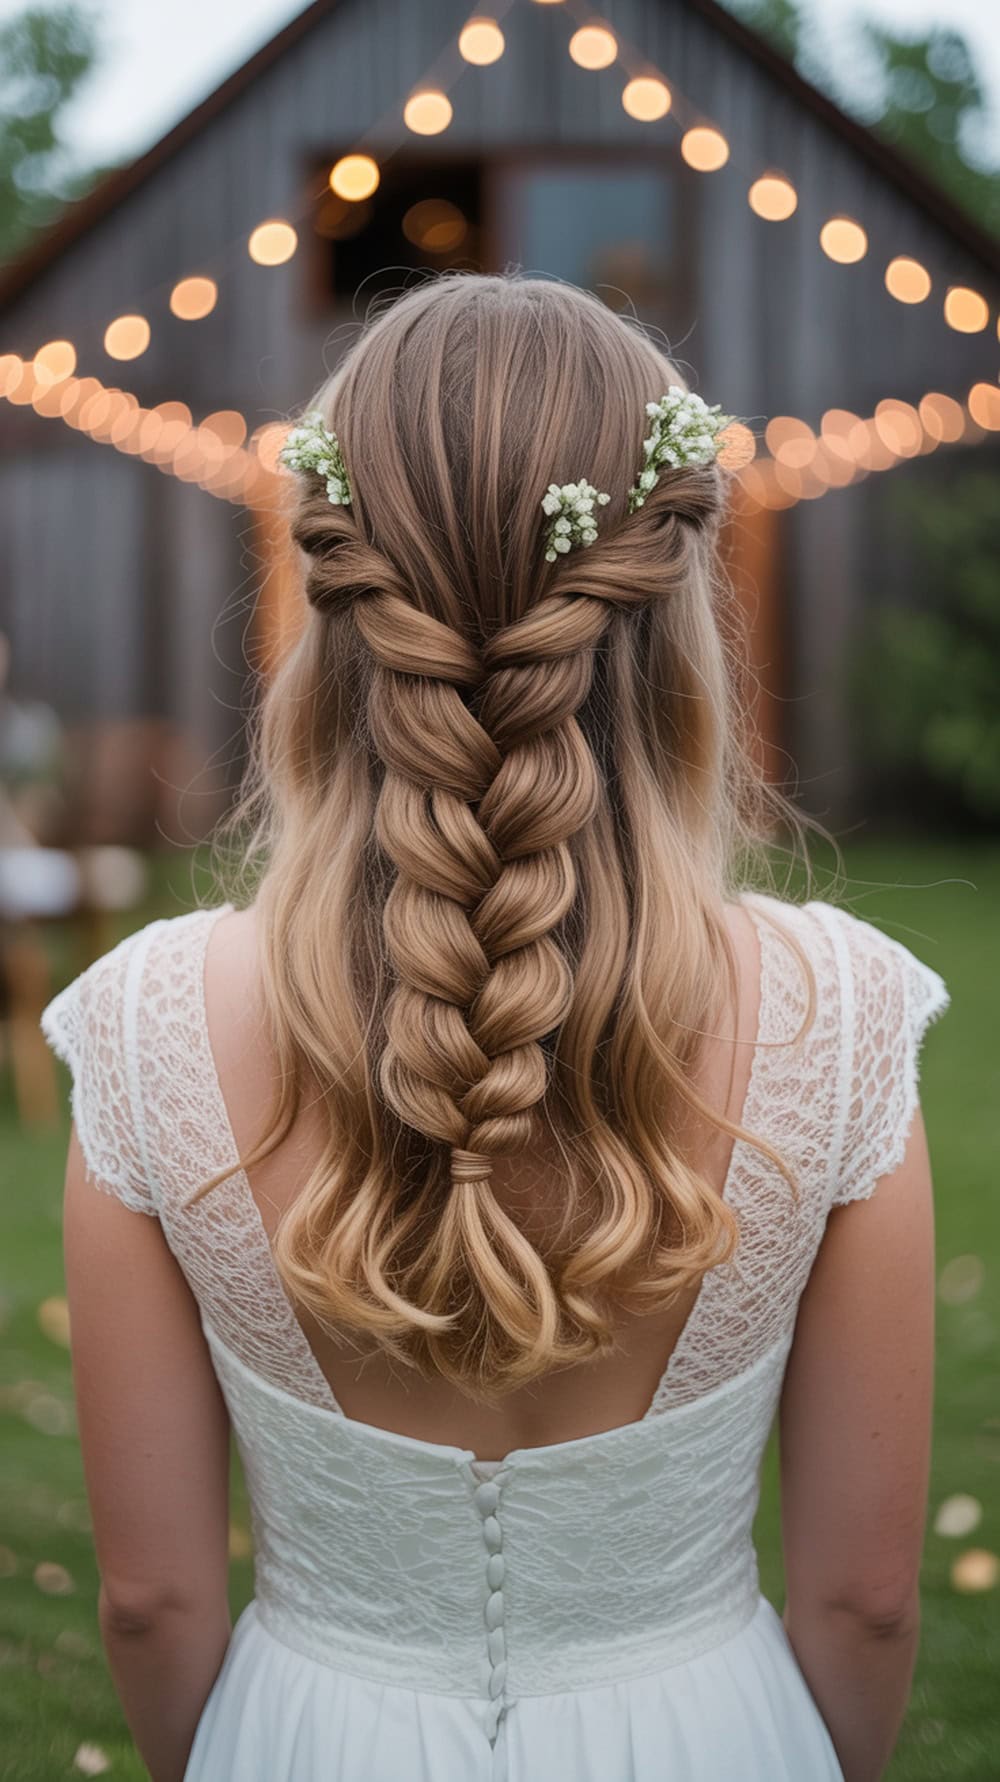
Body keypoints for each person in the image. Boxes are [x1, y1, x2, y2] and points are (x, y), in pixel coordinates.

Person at [41, 274, 950, 1782]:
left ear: (333, 604)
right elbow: (861, 1600)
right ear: (673, 611)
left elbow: (148, 1601)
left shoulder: (148, 1024)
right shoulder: (836, 1016)